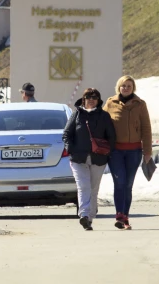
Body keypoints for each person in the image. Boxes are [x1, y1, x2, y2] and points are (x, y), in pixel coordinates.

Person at [63, 88, 116, 231]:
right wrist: (71, 149)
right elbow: (66, 134)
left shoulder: (104, 116)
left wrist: (106, 152)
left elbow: (111, 137)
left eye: (94, 97)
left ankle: (90, 217)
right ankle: (84, 215)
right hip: (78, 159)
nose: (91, 99)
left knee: (93, 188)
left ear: (98, 100)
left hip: (98, 158)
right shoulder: (76, 114)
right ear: (83, 99)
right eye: (88, 97)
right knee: (83, 186)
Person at [103, 75, 152, 230]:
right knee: (120, 183)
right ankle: (119, 215)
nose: (126, 88)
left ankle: (125, 217)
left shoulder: (140, 104)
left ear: (133, 88)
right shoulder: (110, 103)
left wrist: (147, 151)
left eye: (129, 86)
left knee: (128, 185)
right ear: (119, 87)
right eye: (123, 86)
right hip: (116, 151)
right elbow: (102, 124)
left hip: (134, 152)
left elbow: (146, 128)